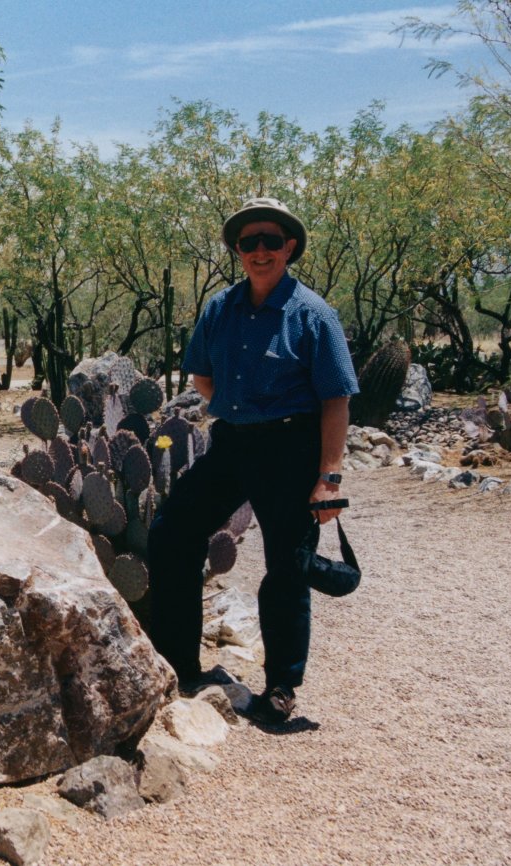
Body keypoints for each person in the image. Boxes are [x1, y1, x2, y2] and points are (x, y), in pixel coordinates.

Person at [147, 197, 359, 724]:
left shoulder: (312, 315)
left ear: (289, 247)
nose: (259, 250)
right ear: (238, 251)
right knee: (173, 531)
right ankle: (178, 663)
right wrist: (232, 409)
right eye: (249, 242)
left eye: (270, 240)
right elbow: (202, 374)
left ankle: (282, 686)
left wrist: (328, 478)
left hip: (293, 448)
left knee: (286, 564)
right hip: (234, 443)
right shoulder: (220, 308)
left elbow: (337, 401)